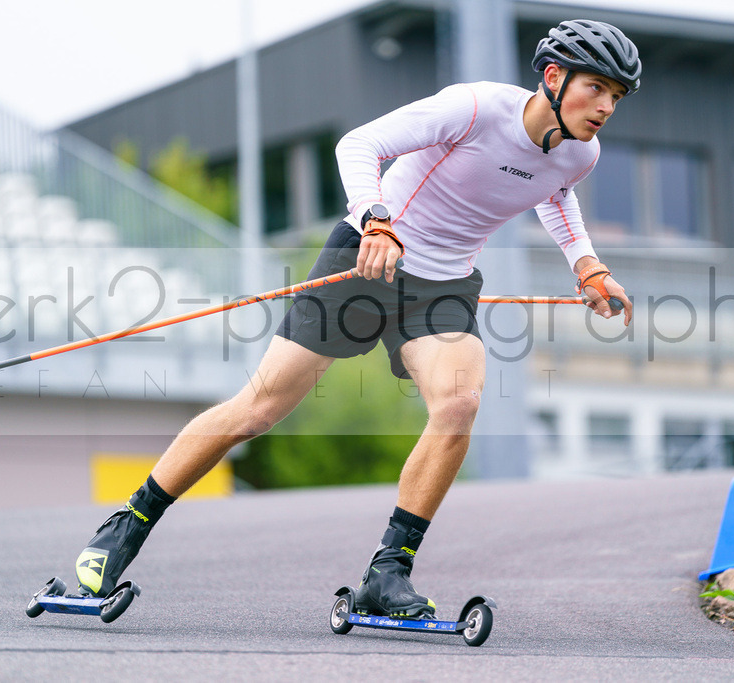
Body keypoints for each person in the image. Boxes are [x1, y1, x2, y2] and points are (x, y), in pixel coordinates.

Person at [70, 19, 639, 619]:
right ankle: (127, 524)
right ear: (554, 77)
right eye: (595, 88)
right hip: (368, 256)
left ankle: (388, 571)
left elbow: (555, 193)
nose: (604, 106)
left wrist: (588, 266)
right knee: (259, 409)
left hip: (442, 285)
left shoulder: (583, 153)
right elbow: (358, 145)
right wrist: (376, 219)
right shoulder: (472, 109)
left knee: (459, 403)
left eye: (616, 97)